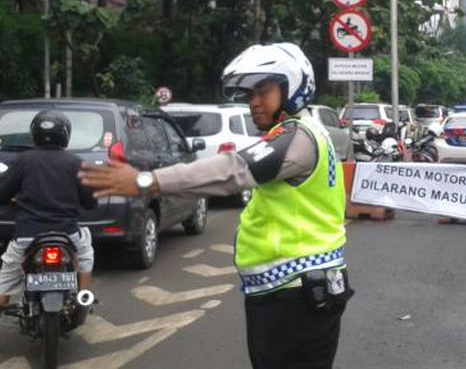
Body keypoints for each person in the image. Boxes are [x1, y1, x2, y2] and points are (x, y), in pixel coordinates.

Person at [79, 42, 353, 369]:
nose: (254, 103)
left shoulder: (298, 139)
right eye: (249, 95)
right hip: (299, 290)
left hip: (296, 297)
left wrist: (147, 181)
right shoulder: (300, 134)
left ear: (290, 86)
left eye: (262, 91)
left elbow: (234, 170)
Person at [0, 110, 97, 312]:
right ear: (65, 134)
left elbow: (2, 193)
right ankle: (83, 299)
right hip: (67, 234)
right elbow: (90, 201)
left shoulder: (22, 160)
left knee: (6, 279)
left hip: (27, 236)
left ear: (34, 133)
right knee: (86, 253)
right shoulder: (76, 163)